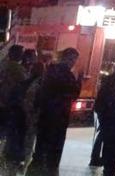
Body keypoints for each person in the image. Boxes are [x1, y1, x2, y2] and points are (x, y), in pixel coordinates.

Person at [25, 47, 81, 176]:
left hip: (45, 115)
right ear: (68, 58)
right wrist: (79, 80)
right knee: (54, 151)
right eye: (73, 59)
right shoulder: (67, 73)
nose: (74, 62)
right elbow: (74, 93)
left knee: (40, 147)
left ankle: (34, 170)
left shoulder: (50, 70)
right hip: (59, 117)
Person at [2, 53, 42, 175]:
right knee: (25, 147)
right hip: (24, 120)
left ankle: (10, 167)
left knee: (11, 144)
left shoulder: (6, 67)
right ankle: (19, 169)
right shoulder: (30, 81)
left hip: (12, 116)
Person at [89, 60, 115, 167]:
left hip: (101, 109)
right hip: (105, 110)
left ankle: (95, 158)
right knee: (102, 133)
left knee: (101, 133)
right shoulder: (114, 81)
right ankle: (96, 158)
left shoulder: (107, 79)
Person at [0, 45, 27, 137]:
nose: (22, 55)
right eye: (21, 53)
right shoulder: (17, 68)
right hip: (9, 103)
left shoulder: (3, 64)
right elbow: (25, 84)